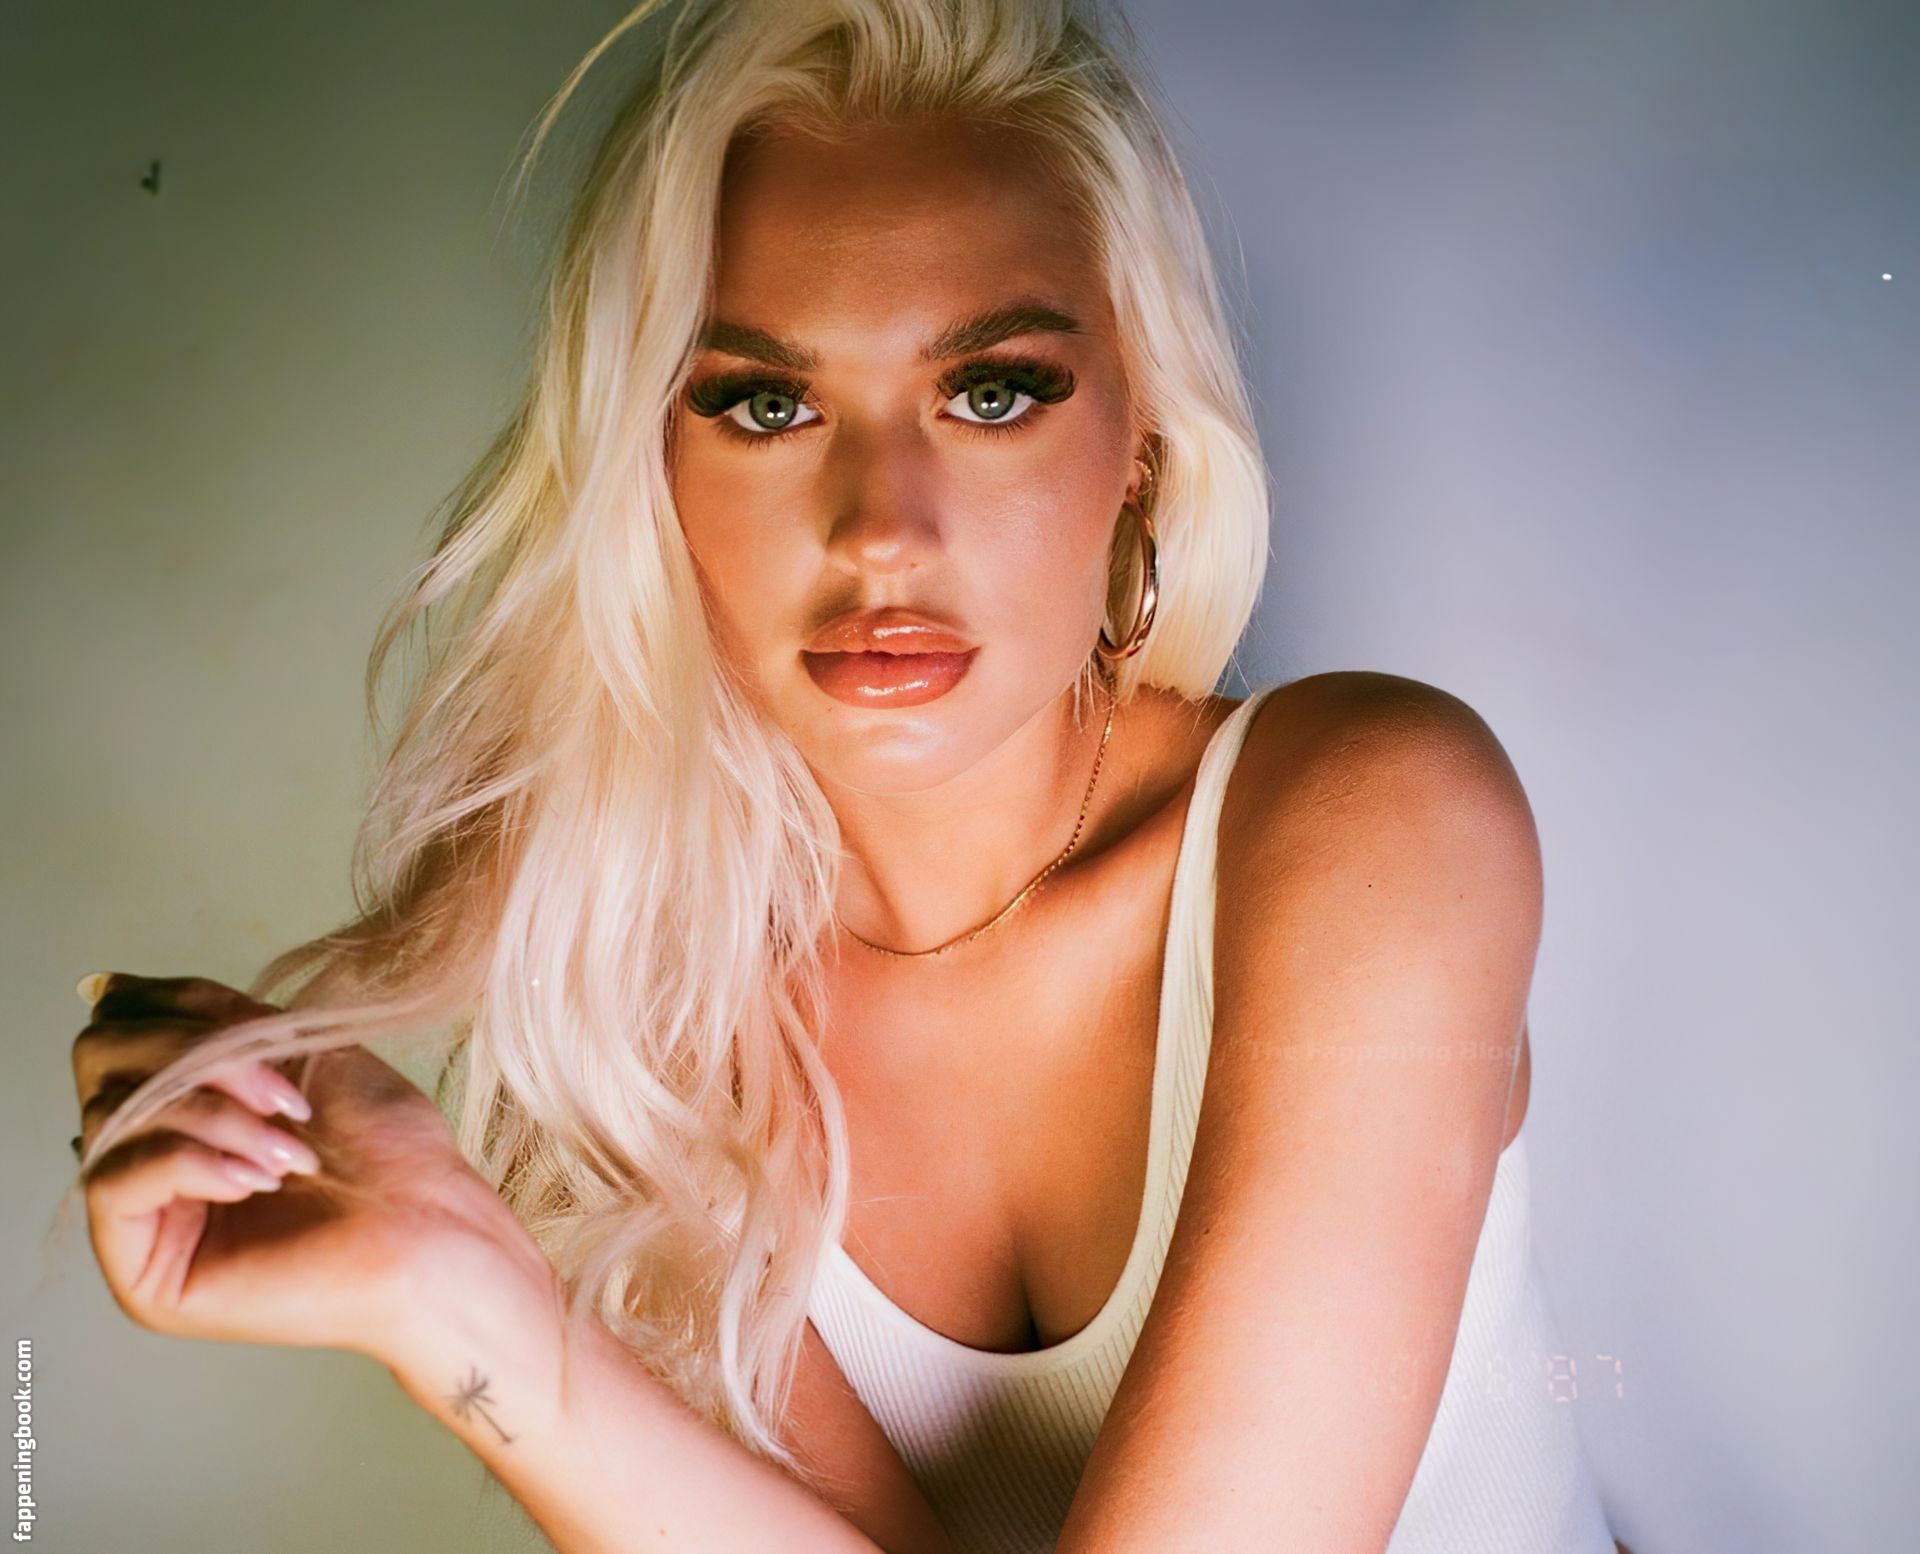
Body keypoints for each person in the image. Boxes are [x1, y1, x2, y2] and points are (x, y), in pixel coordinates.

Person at [61, 1, 1629, 1549]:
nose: (882, 527)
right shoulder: (636, 1036)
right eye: (768, 403)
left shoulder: (1377, 817)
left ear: (1140, 441)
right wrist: (448, 1290)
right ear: (654, 471)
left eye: (992, 391)